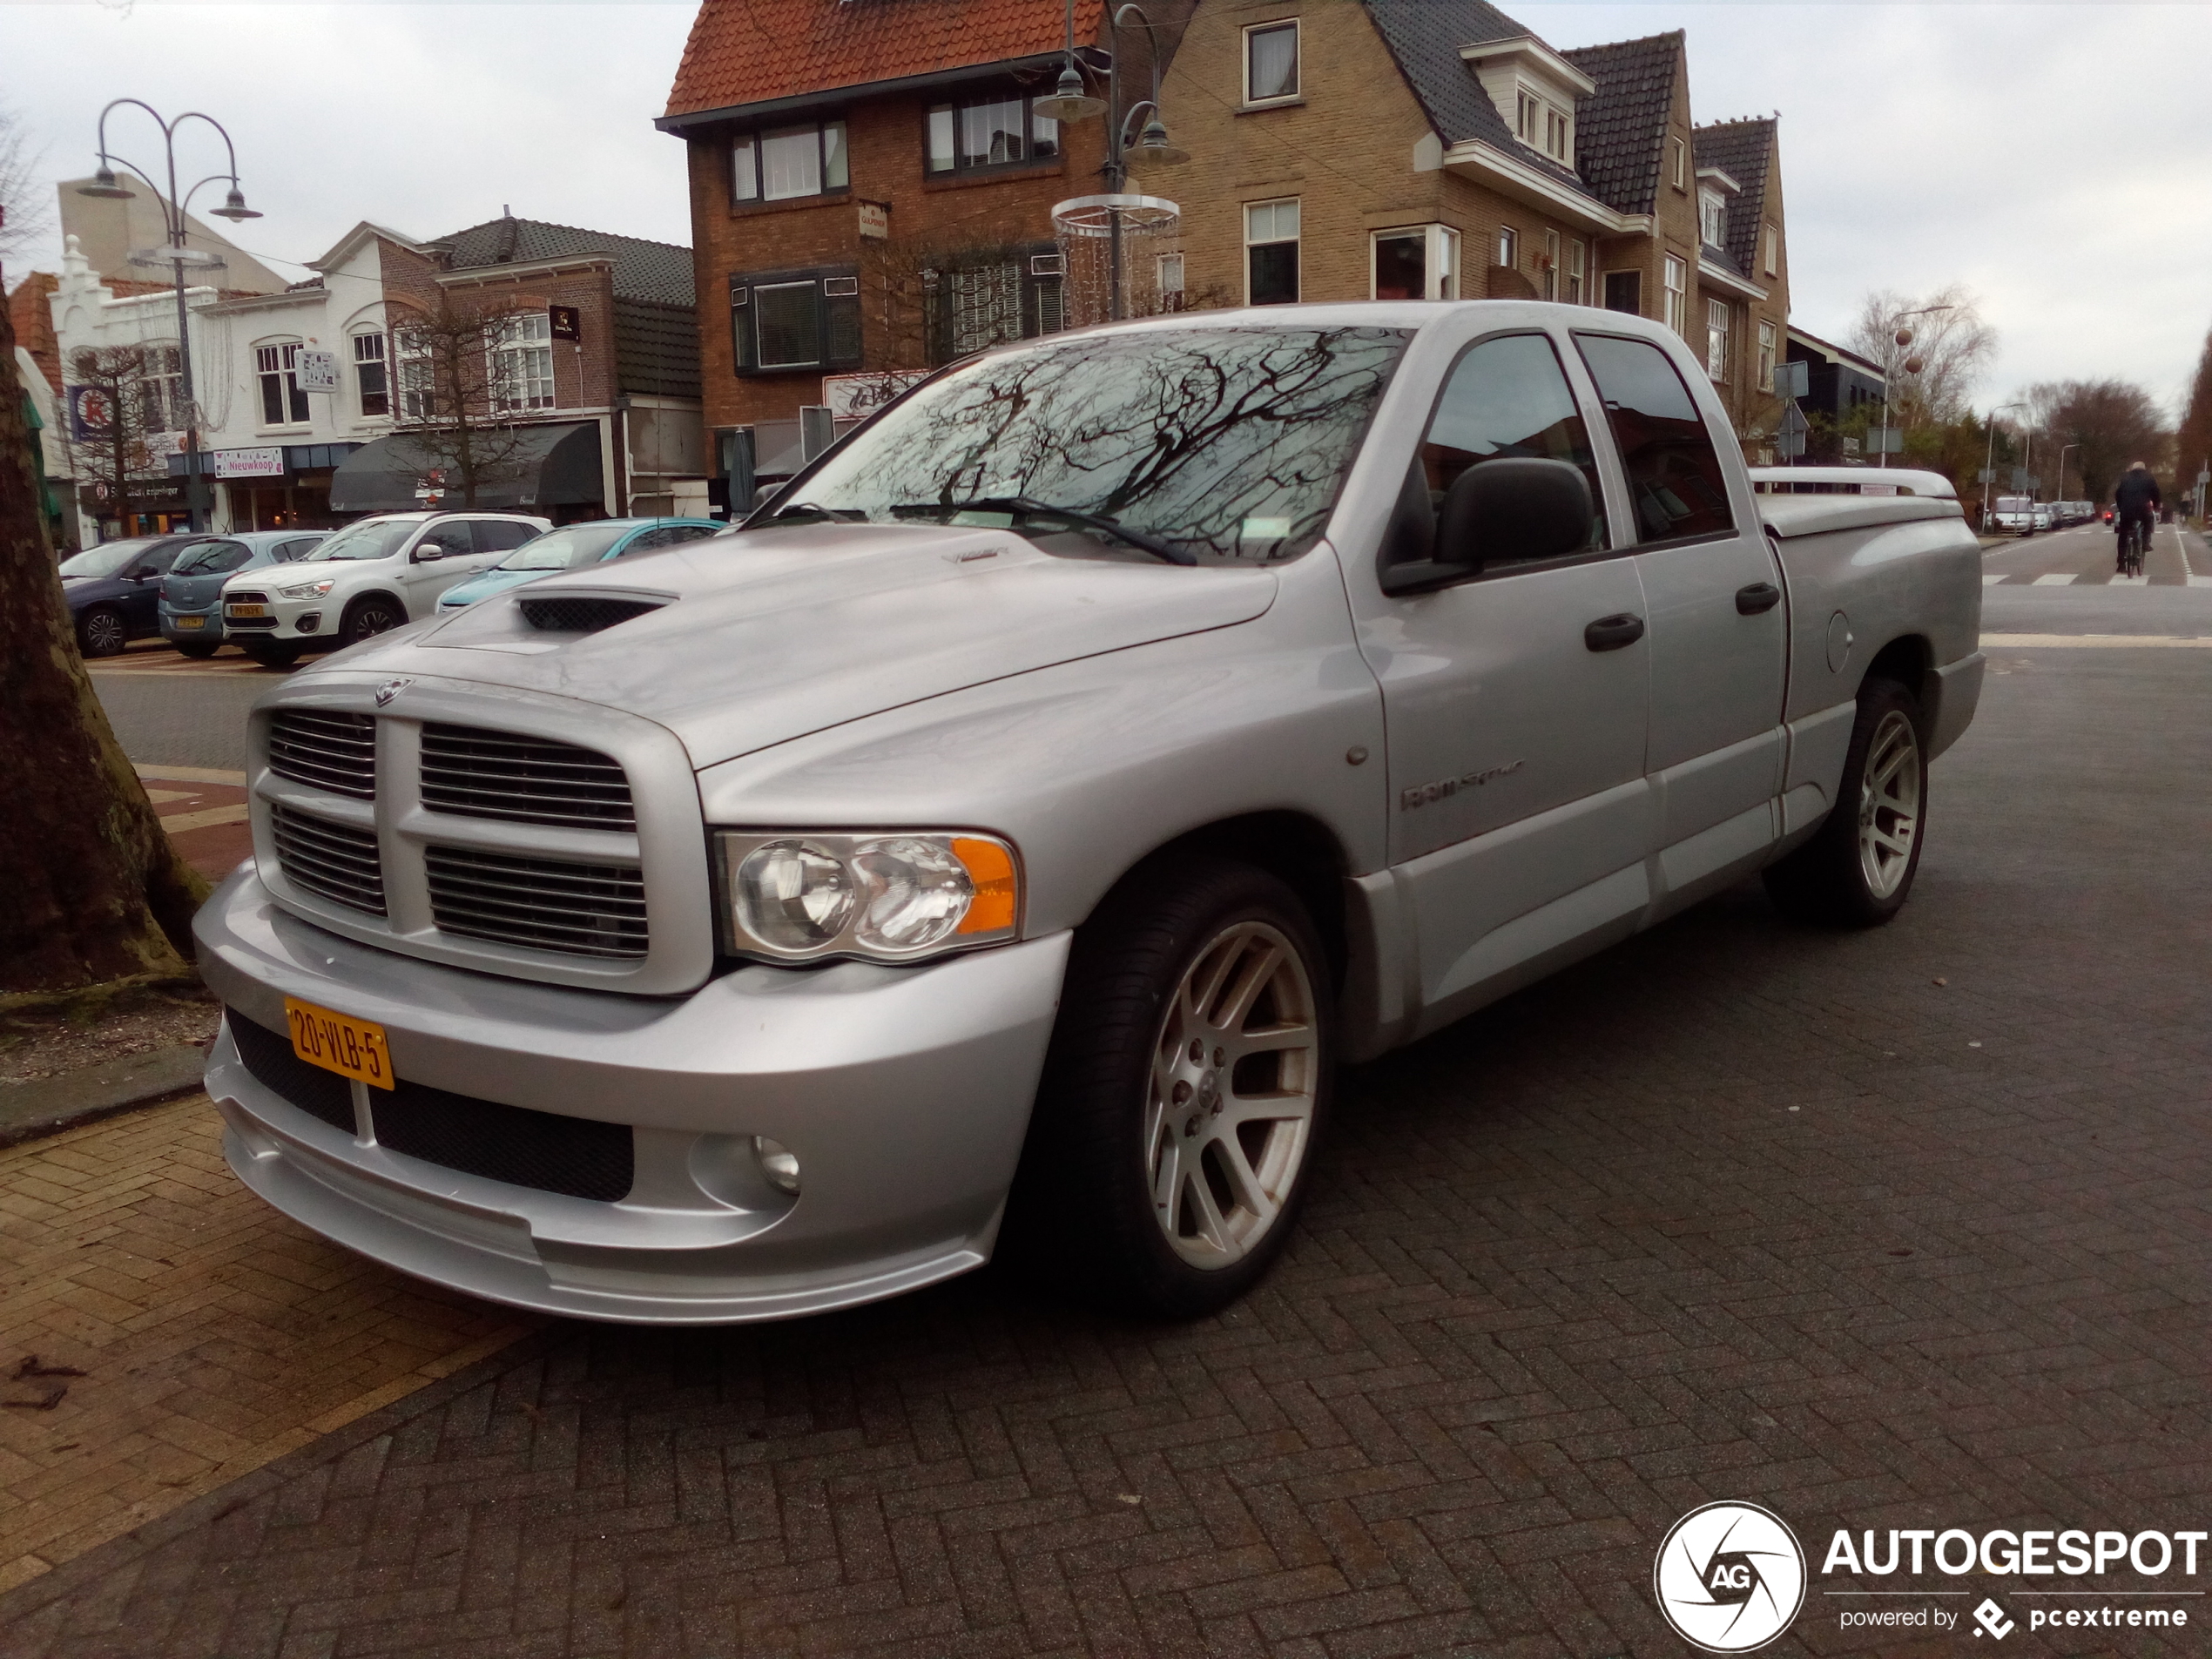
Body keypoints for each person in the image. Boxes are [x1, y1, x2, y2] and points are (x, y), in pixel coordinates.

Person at [2112, 462, 2161, 571]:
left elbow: (2118, 494)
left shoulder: (2125, 478)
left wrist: (2121, 508)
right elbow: (2156, 494)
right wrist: (2156, 506)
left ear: (2133, 469)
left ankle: (2121, 564)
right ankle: (2145, 543)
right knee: (2149, 520)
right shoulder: (2149, 478)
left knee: (2123, 535)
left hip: (2126, 510)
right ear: (2144, 469)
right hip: (2142, 509)